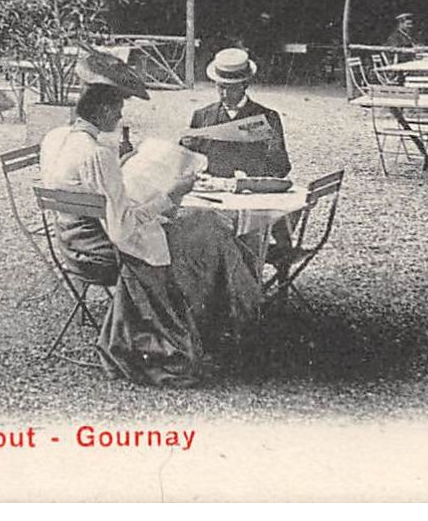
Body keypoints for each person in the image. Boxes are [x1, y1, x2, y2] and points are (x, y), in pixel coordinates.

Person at [40, 83, 262, 387]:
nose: (119, 118)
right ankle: (227, 325)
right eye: (117, 111)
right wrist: (170, 196)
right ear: (103, 110)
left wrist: (123, 169)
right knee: (210, 231)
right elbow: (124, 230)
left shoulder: (56, 139)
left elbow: (97, 196)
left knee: (197, 227)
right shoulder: (97, 154)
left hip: (71, 243)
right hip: (104, 251)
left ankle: (219, 319)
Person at [184, 49, 292, 180]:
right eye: (221, 87)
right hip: (211, 191)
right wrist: (186, 146)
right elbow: (186, 165)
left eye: (232, 88)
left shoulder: (268, 117)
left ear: (245, 84)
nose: (225, 94)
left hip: (251, 193)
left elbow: (281, 167)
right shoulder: (202, 116)